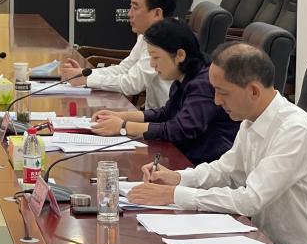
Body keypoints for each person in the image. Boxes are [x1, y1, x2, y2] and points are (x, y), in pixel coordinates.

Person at [130, 43, 307, 244]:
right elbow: (227, 171)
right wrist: (178, 178)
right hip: (264, 240)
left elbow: (250, 200)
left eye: (223, 92)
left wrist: (173, 195)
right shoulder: (251, 118)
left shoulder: (294, 130)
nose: (216, 101)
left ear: (253, 91)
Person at [90, 18, 238, 165]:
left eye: (156, 57)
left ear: (180, 55)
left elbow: (180, 130)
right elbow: (165, 114)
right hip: (185, 158)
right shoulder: (182, 79)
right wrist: (120, 116)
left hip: (203, 166)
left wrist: (123, 126)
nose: (152, 64)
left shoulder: (204, 84)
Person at [60, 0, 175, 107]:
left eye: (135, 8)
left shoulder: (165, 42)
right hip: (153, 115)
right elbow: (124, 69)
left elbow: (132, 84)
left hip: (168, 118)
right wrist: (83, 73)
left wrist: (86, 79)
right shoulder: (147, 36)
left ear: (157, 14)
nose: (129, 14)